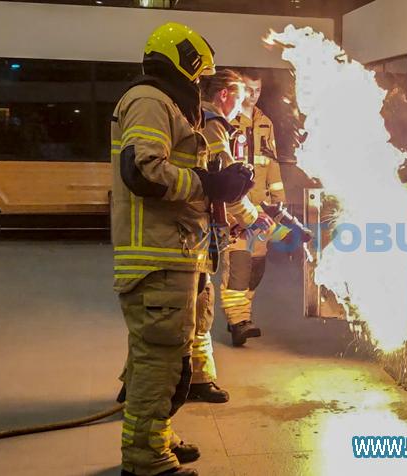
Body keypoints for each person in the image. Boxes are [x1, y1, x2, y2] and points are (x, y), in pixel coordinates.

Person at [111, 22, 254, 476]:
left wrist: (226, 184)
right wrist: (211, 183)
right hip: (157, 257)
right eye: (196, 76)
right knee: (158, 358)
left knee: (165, 357)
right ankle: (146, 460)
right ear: (179, 63)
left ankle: (157, 436)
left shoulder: (167, 104)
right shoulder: (150, 101)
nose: (198, 85)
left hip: (176, 253)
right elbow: (144, 171)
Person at [186, 69, 273, 403]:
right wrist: (251, 218)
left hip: (201, 229)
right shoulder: (213, 125)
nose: (243, 104)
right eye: (239, 95)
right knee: (195, 309)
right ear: (225, 95)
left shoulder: (199, 120)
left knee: (196, 308)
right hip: (193, 235)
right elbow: (227, 180)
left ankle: (197, 379)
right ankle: (190, 381)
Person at [221, 69, 286, 346]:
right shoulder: (224, 120)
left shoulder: (265, 123)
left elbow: (272, 163)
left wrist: (278, 200)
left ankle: (242, 316)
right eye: (247, 89)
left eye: (257, 90)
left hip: (261, 211)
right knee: (239, 266)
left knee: (257, 268)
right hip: (234, 210)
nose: (252, 95)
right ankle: (238, 322)